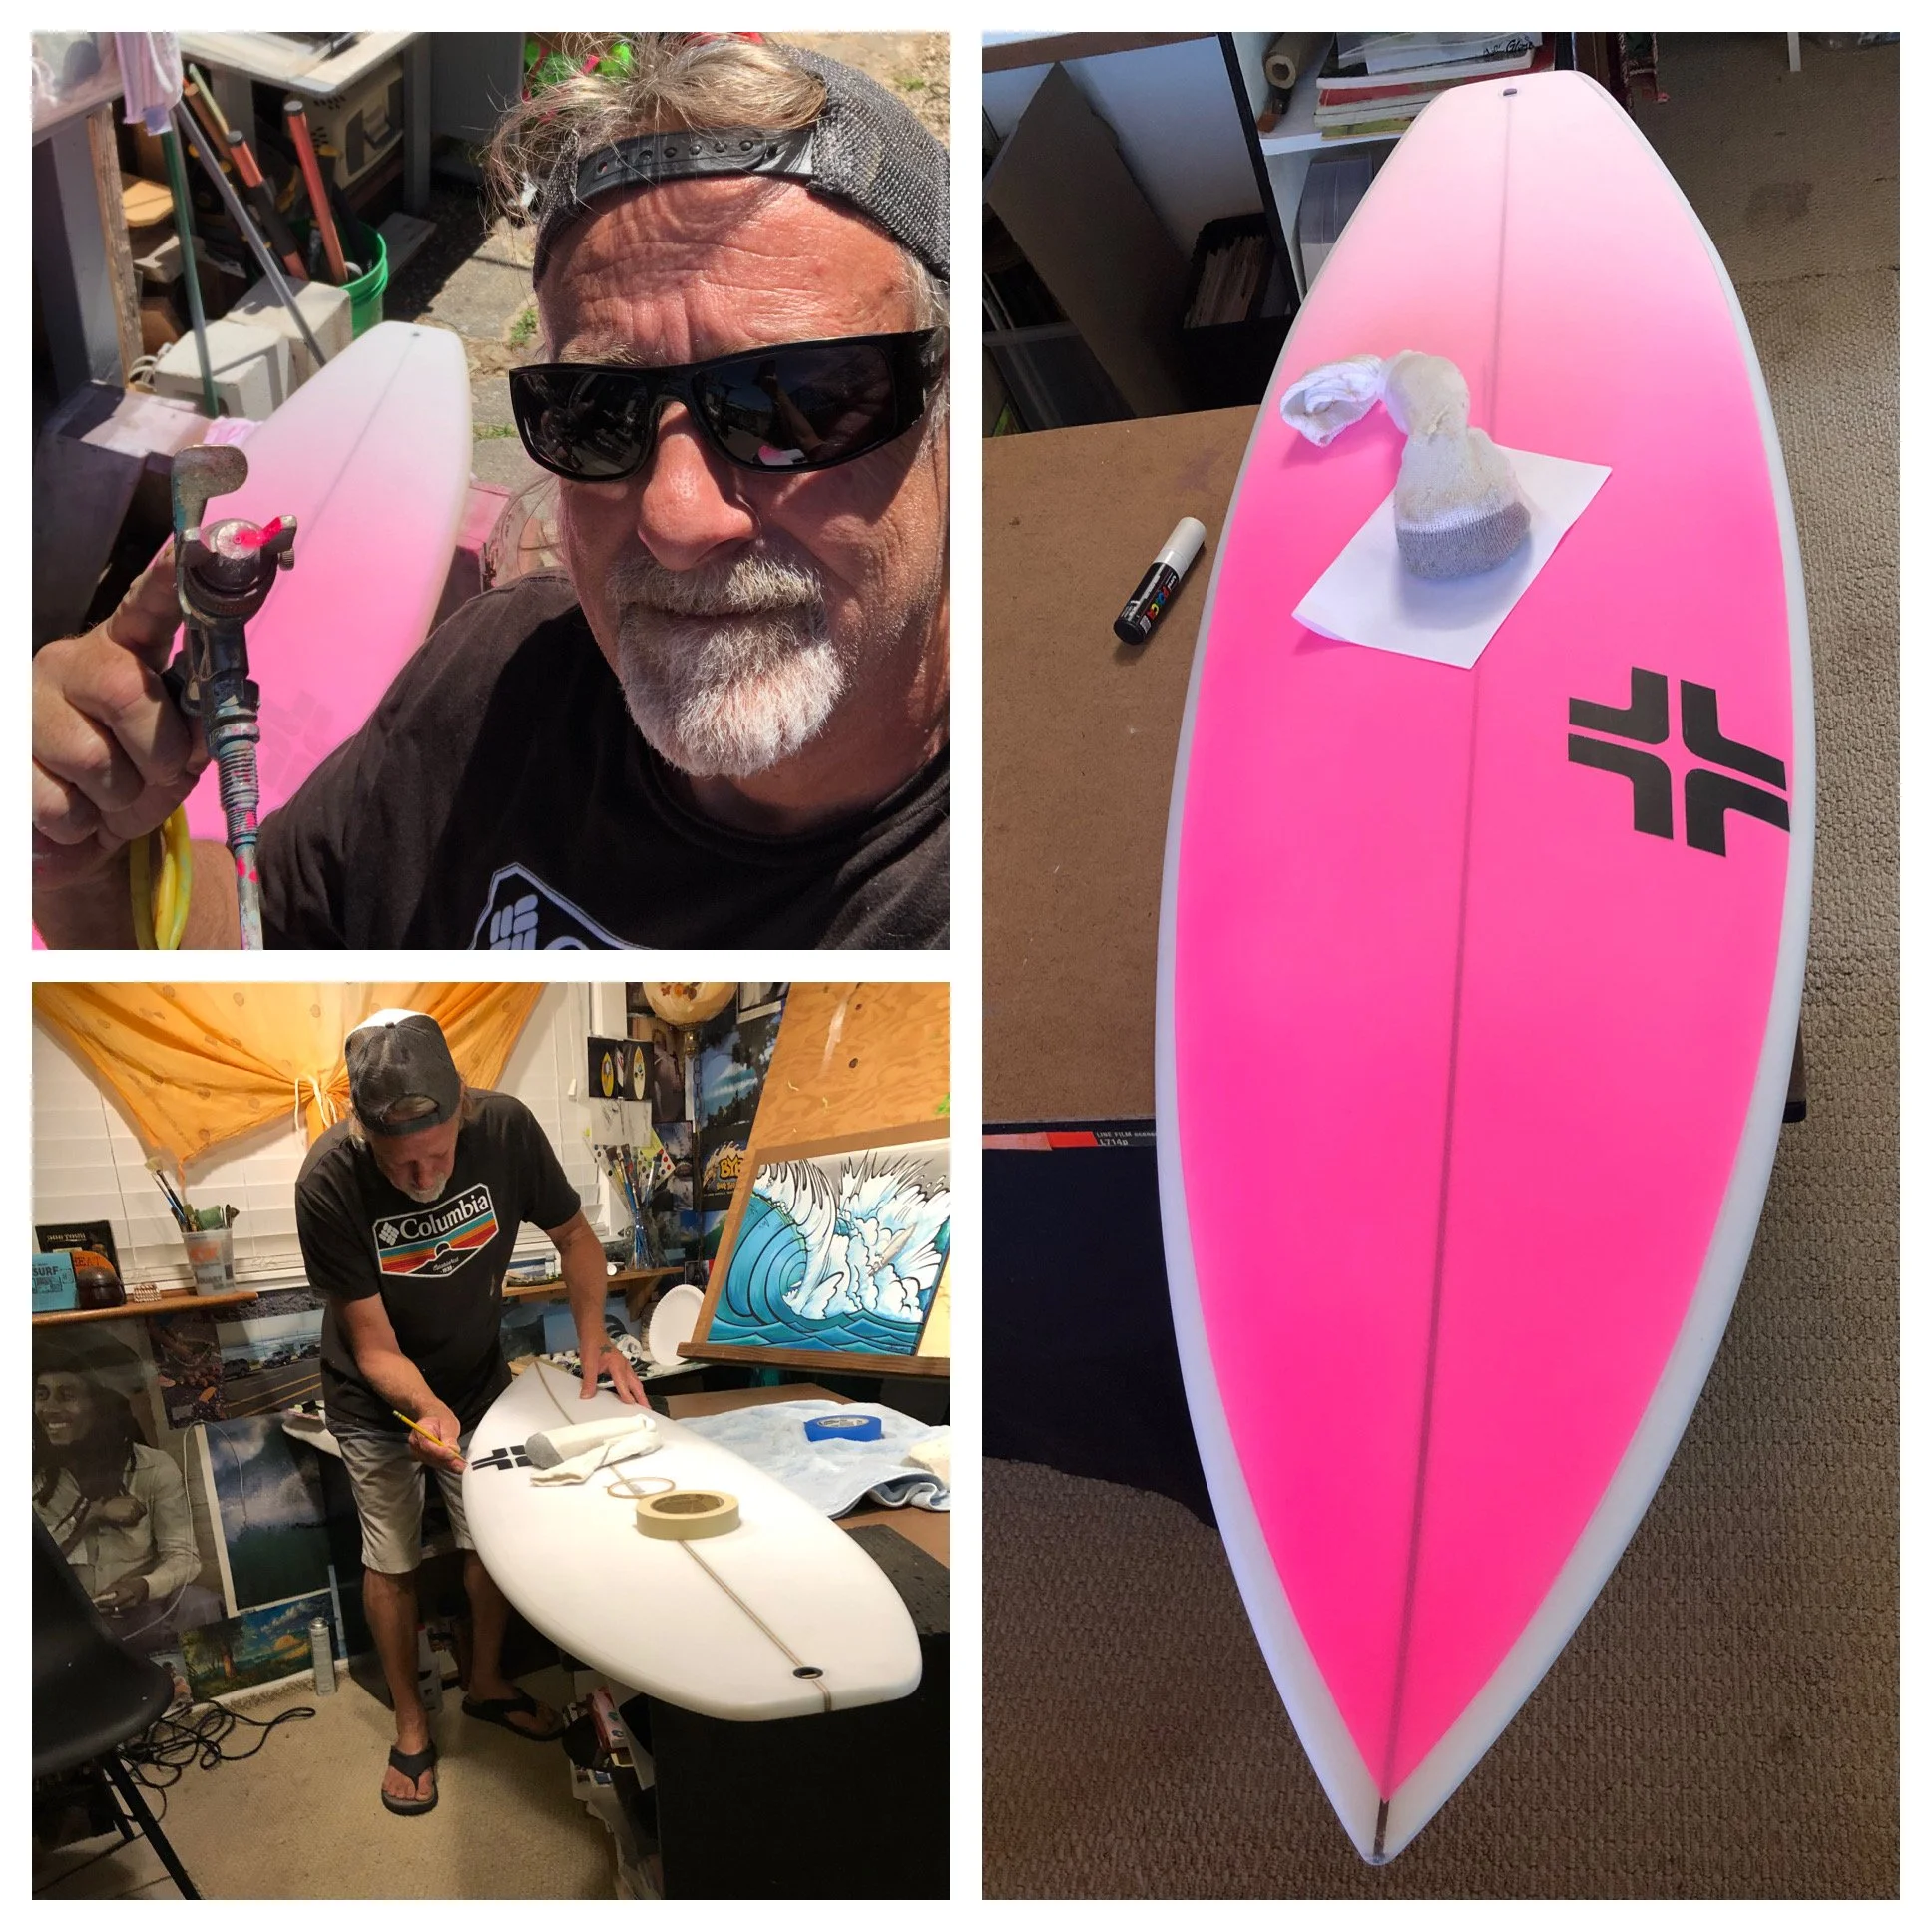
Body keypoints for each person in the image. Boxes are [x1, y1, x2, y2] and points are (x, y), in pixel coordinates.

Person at [32, 34, 948, 950]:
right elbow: (257, 959)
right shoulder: (493, 682)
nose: (674, 518)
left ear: (949, 414)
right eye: (595, 413)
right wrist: (86, 869)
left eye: (796, 405)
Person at [297, 1009, 649, 1816]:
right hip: (373, 1391)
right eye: (402, 1164)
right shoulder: (327, 1179)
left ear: (465, 1107)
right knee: (391, 1556)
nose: (423, 1177)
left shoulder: (508, 1129)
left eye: (439, 1155)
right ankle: (415, 1726)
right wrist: (421, 1409)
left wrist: (597, 1340)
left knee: (486, 1536)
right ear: (362, 1135)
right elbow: (373, 1343)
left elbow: (576, 1239)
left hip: (476, 1374)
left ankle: (487, 1682)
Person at [32, 1361, 223, 1651]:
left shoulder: (152, 1467)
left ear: (98, 1406)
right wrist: (91, 1515)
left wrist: (143, 1586)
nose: (49, 1408)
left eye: (67, 1395)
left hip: (140, 1612)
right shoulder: (35, 1478)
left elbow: (183, 1557)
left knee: (199, 1603)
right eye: (41, 1395)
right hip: (68, 1625)